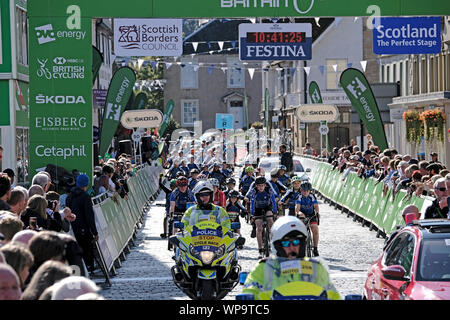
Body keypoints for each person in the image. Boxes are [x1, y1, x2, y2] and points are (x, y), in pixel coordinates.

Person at [241, 216, 340, 300]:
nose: (292, 247)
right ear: (277, 245)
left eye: (296, 242)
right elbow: (249, 291)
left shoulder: (316, 268)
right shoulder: (264, 268)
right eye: (286, 243)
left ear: (302, 244)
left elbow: (333, 295)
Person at [66, 174, 98, 272]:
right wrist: (94, 232)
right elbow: (89, 216)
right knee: (87, 250)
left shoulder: (70, 196)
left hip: (73, 228)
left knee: (77, 252)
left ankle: (80, 270)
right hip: (84, 229)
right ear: (86, 185)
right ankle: (89, 269)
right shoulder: (85, 197)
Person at [245, 176, 276, 259]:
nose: (261, 187)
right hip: (257, 208)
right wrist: (253, 214)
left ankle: (272, 239)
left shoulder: (269, 190)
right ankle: (260, 250)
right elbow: (252, 203)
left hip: (267, 207)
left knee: (270, 219)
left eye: (262, 185)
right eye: (259, 186)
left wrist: (274, 212)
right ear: (256, 186)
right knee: (259, 228)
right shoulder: (253, 191)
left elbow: (273, 200)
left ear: (265, 185)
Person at [295, 181, 320, 257]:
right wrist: (298, 213)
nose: (305, 192)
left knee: (315, 229)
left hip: (311, 214)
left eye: (307, 191)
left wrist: (317, 213)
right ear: (301, 190)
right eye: (303, 191)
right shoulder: (299, 197)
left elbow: (316, 206)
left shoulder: (312, 196)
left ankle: (315, 248)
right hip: (302, 214)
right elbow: (297, 207)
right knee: (301, 220)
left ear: (310, 191)